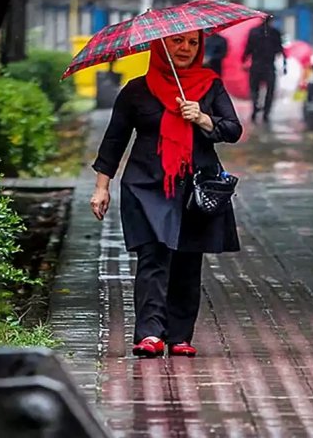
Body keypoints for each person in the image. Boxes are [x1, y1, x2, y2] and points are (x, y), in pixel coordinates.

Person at [90, 30, 242, 359]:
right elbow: (114, 140)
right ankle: (149, 334)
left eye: (193, 43)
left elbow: (233, 129)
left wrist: (202, 118)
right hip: (146, 186)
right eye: (177, 41)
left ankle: (179, 335)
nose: (186, 48)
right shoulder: (136, 91)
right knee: (153, 256)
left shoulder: (210, 85)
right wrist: (102, 187)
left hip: (195, 188)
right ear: (161, 45)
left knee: (188, 259)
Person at [242, 16, 286, 123]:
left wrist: (243, 60)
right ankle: (266, 113)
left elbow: (248, 48)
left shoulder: (253, 32)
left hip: (256, 65)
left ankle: (255, 109)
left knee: (254, 89)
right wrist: (284, 65)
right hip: (269, 65)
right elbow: (280, 50)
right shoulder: (275, 33)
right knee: (270, 90)